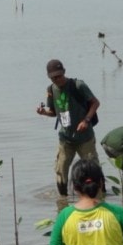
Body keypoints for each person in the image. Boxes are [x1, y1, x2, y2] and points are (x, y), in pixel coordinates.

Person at [36, 59, 100, 196]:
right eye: (53, 77)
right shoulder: (51, 90)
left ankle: (99, 198)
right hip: (65, 139)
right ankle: (63, 201)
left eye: (59, 76)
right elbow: (54, 112)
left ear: (64, 72)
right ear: (49, 77)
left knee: (93, 170)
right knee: (60, 170)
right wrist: (44, 113)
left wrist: (86, 120)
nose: (57, 79)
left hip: (85, 138)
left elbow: (95, 103)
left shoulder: (78, 85)